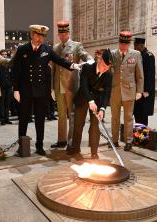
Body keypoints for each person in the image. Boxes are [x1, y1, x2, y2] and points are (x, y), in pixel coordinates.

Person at [12, 24, 80, 156]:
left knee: (40, 119)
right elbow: (17, 71)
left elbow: (59, 60)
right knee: (24, 119)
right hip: (26, 90)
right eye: (37, 36)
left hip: (41, 91)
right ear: (32, 35)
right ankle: (22, 146)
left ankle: (40, 145)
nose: (40, 39)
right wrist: (16, 89)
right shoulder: (22, 49)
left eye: (42, 36)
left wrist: (72, 65)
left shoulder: (47, 49)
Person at [50, 20, 93, 149]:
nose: (63, 36)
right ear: (58, 34)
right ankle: (61, 140)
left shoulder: (76, 46)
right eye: (60, 34)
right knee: (61, 115)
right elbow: (54, 69)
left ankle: (71, 141)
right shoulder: (55, 48)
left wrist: (90, 59)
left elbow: (84, 55)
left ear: (68, 33)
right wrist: (52, 87)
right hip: (59, 86)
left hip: (71, 85)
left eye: (65, 33)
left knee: (72, 114)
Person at [67, 49, 113, 159]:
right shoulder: (88, 67)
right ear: (100, 60)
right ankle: (75, 148)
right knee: (78, 124)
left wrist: (102, 109)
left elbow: (107, 92)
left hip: (98, 101)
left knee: (95, 126)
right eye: (104, 66)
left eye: (108, 68)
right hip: (83, 97)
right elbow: (84, 86)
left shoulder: (108, 74)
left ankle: (94, 152)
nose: (105, 69)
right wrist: (90, 101)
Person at [110, 31, 144, 151]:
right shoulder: (112, 54)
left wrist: (139, 91)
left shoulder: (136, 54)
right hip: (115, 91)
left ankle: (128, 141)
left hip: (130, 90)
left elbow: (139, 74)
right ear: (119, 42)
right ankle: (114, 140)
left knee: (128, 117)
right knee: (115, 117)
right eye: (121, 43)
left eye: (126, 44)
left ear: (129, 43)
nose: (123, 46)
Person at [133, 37, 155, 126]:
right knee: (137, 112)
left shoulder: (149, 56)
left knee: (143, 114)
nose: (134, 48)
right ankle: (137, 133)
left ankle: (143, 134)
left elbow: (150, 75)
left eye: (135, 46)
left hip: (144, 91)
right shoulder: (138, 55)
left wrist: (146, 90)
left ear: (141, 46)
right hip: (137, 90)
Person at [0, 49, 13, 125]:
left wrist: (12, 84)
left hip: (9, 86)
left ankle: (7, 118)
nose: (4, 56)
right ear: (0, 56)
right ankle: (2, 119)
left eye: (5, 55)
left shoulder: (9, 64)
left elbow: (11, 75)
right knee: (2, 103)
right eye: (3, 54)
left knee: (7, 103)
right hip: (1, 87)